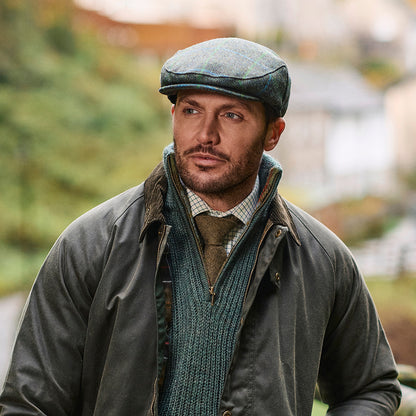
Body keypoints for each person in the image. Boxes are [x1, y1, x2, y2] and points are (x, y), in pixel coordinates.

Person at [0, 37, 401, 415]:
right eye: (192, 110)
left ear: (272, 134)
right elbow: (30, 403)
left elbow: (371, 386)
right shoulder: (89, 245)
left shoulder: (323, 259)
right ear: (174, 116)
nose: (205, 135)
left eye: (231, 115)